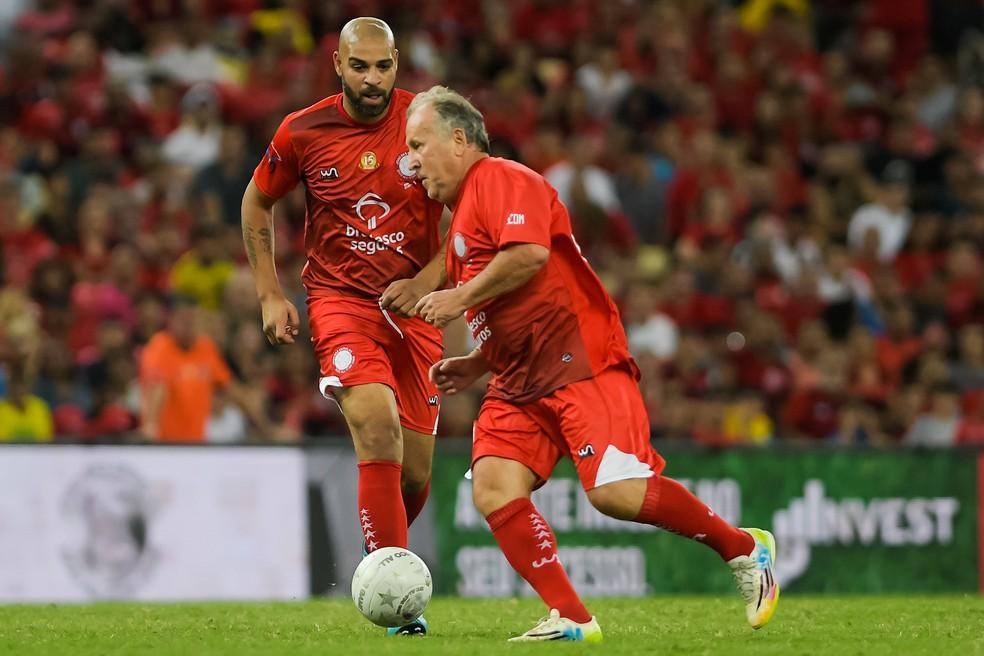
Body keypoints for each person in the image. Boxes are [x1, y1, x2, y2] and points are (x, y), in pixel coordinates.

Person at [405, 86, 780, 642]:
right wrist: (478, 363)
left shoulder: (502, 178)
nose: (411, 162)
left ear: (459, 141)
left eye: (418, 145)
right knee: (492, 486)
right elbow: (514, 304)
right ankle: (572, 617)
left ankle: (746, 550)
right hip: (517, 378)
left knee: (615, 492)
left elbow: (530, 256)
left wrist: (457, 299)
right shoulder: (459, 217)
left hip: (577, 358)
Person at [240, 17, 445, 635]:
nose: (373, 79)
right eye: (360, 66)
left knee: (413, 474)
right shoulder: (302, 131)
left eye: (383, 66)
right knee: (375, 428)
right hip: (341, 301)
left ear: (397, 62)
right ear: (338, 64)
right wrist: (270, 295)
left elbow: (471, 214)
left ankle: (381, 550)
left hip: (413, 309)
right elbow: (257, 201)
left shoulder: (428, 122)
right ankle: (395, 602)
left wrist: (429, 283)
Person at [139, 295, 278, 442]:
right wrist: (150, 425)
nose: (190, 326)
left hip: (197, 443)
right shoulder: (159, 347)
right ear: (171, 319)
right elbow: (158, 387)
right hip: (164, 444)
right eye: (184, 320)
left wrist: (266, 428)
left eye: (193, 320)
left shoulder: (205, 348)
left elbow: (231, 389)